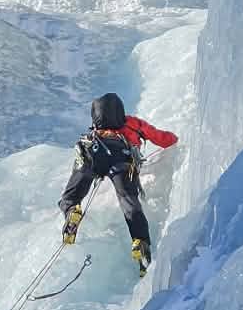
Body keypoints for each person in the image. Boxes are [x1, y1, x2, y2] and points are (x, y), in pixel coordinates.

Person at [59, 92, 179, 274]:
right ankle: (140, 243)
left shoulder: (94, 132)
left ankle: (71, 212)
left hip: (93, 153)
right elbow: (161, 138)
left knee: (70, 197)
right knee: (129, 203)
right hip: (121, 159)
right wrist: (177, 139)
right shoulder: (132, 123)